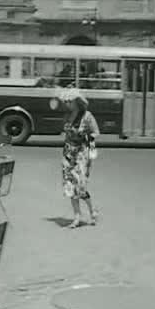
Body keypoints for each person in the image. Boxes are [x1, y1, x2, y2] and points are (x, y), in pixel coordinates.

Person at [59, 88, 100, 229]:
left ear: (77, 101)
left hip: (82, 153)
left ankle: (92, 210)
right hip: (68, 152)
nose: (67, 103)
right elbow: (64, 133)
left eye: (69, 101)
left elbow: (96, 133)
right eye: (66, 101)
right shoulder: (67, 116)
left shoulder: (87, 116)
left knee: (80, 186)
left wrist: (84, 134)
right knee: (70, 185)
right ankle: (77, 216)